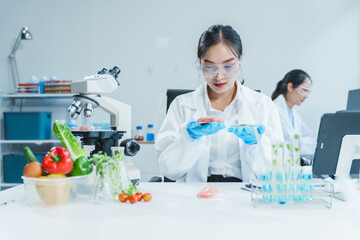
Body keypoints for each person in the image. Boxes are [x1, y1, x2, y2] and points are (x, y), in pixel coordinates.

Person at [155, 25, 283, 182]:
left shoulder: (262, 105)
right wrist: (189, 139)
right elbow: (168, 170)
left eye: (228, 66)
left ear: (240, 59)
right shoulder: (181, 105)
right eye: (209, 67)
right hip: (195, 196)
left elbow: (276, 169)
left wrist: (255, 144)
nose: (218, 76)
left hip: (244, 196)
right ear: (200, 63)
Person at [271, 69, 316, 159]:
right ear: (290, 87)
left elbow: (312, 137)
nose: (306, 96)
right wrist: (301, 143)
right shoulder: (275, 109)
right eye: (304, 90)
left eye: (308, 92)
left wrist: (301, 143)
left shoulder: (294, 115)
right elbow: (291, 144)